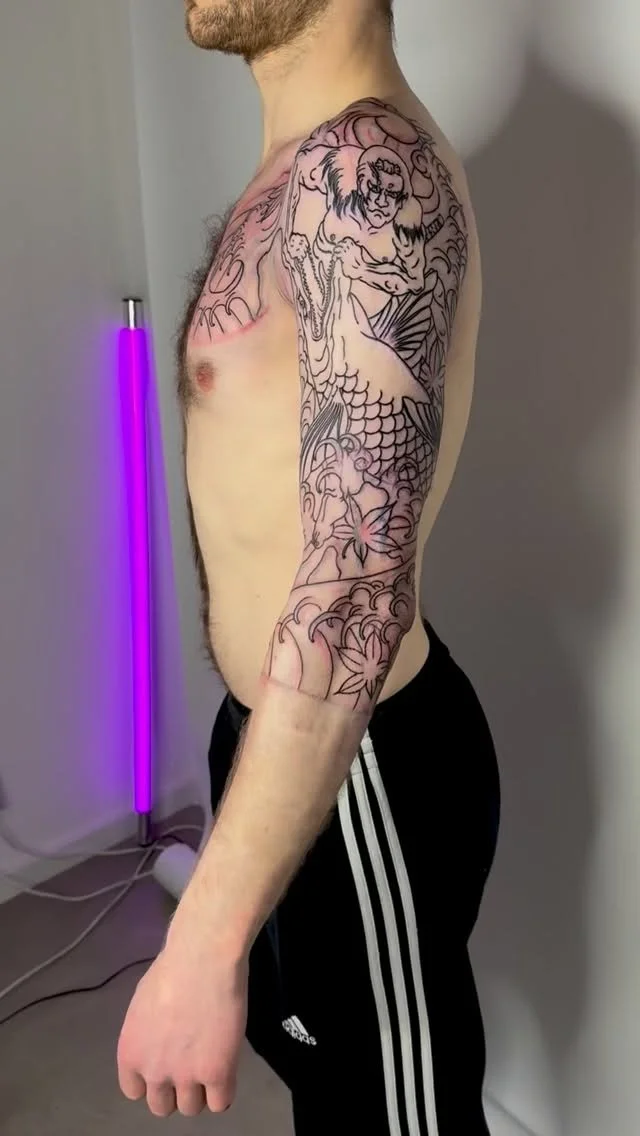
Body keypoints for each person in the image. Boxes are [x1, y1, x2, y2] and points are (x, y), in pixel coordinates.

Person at [117, 2, 501, 1133]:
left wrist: (201, 939)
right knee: (336, 1095)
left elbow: (358, 585)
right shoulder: (304, 162)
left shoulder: (365, 168)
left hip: (359, 759)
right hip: (285, 738)